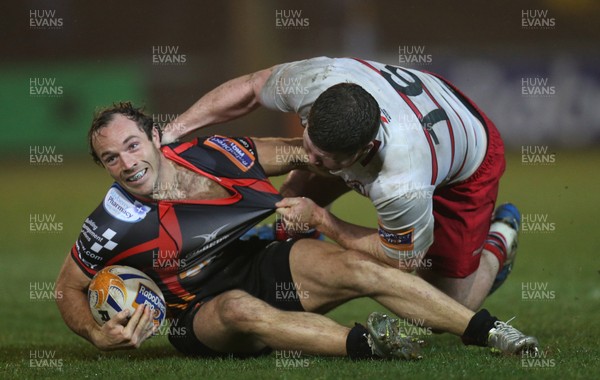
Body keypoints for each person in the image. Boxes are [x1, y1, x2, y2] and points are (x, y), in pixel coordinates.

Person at [55, 102, 539, 360]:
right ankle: (370, 346)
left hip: (254, 263)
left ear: (156, 138)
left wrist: (391, 163)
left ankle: (488, 331)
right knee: (241, 309)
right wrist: (97, 336)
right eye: (110, 158)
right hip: (196, 312)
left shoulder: (215, 153)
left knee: (355, 266)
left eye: (133, 145)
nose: (127, 163)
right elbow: (66, 290)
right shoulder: (110, 223)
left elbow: (302, 152)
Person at [161, 56, 519, 311]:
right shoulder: (316, 80)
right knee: (289, 199)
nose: (312, 161)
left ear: (365, 150)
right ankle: (286, 257)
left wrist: (321, 220)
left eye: (326, 159)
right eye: (309, 144)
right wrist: (171, 133)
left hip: (468, 155)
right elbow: (253, 88)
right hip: (428, 95)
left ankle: (499, 238)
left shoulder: (401, 179)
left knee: (447, 305)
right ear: (312, 112)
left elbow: (403, 258)